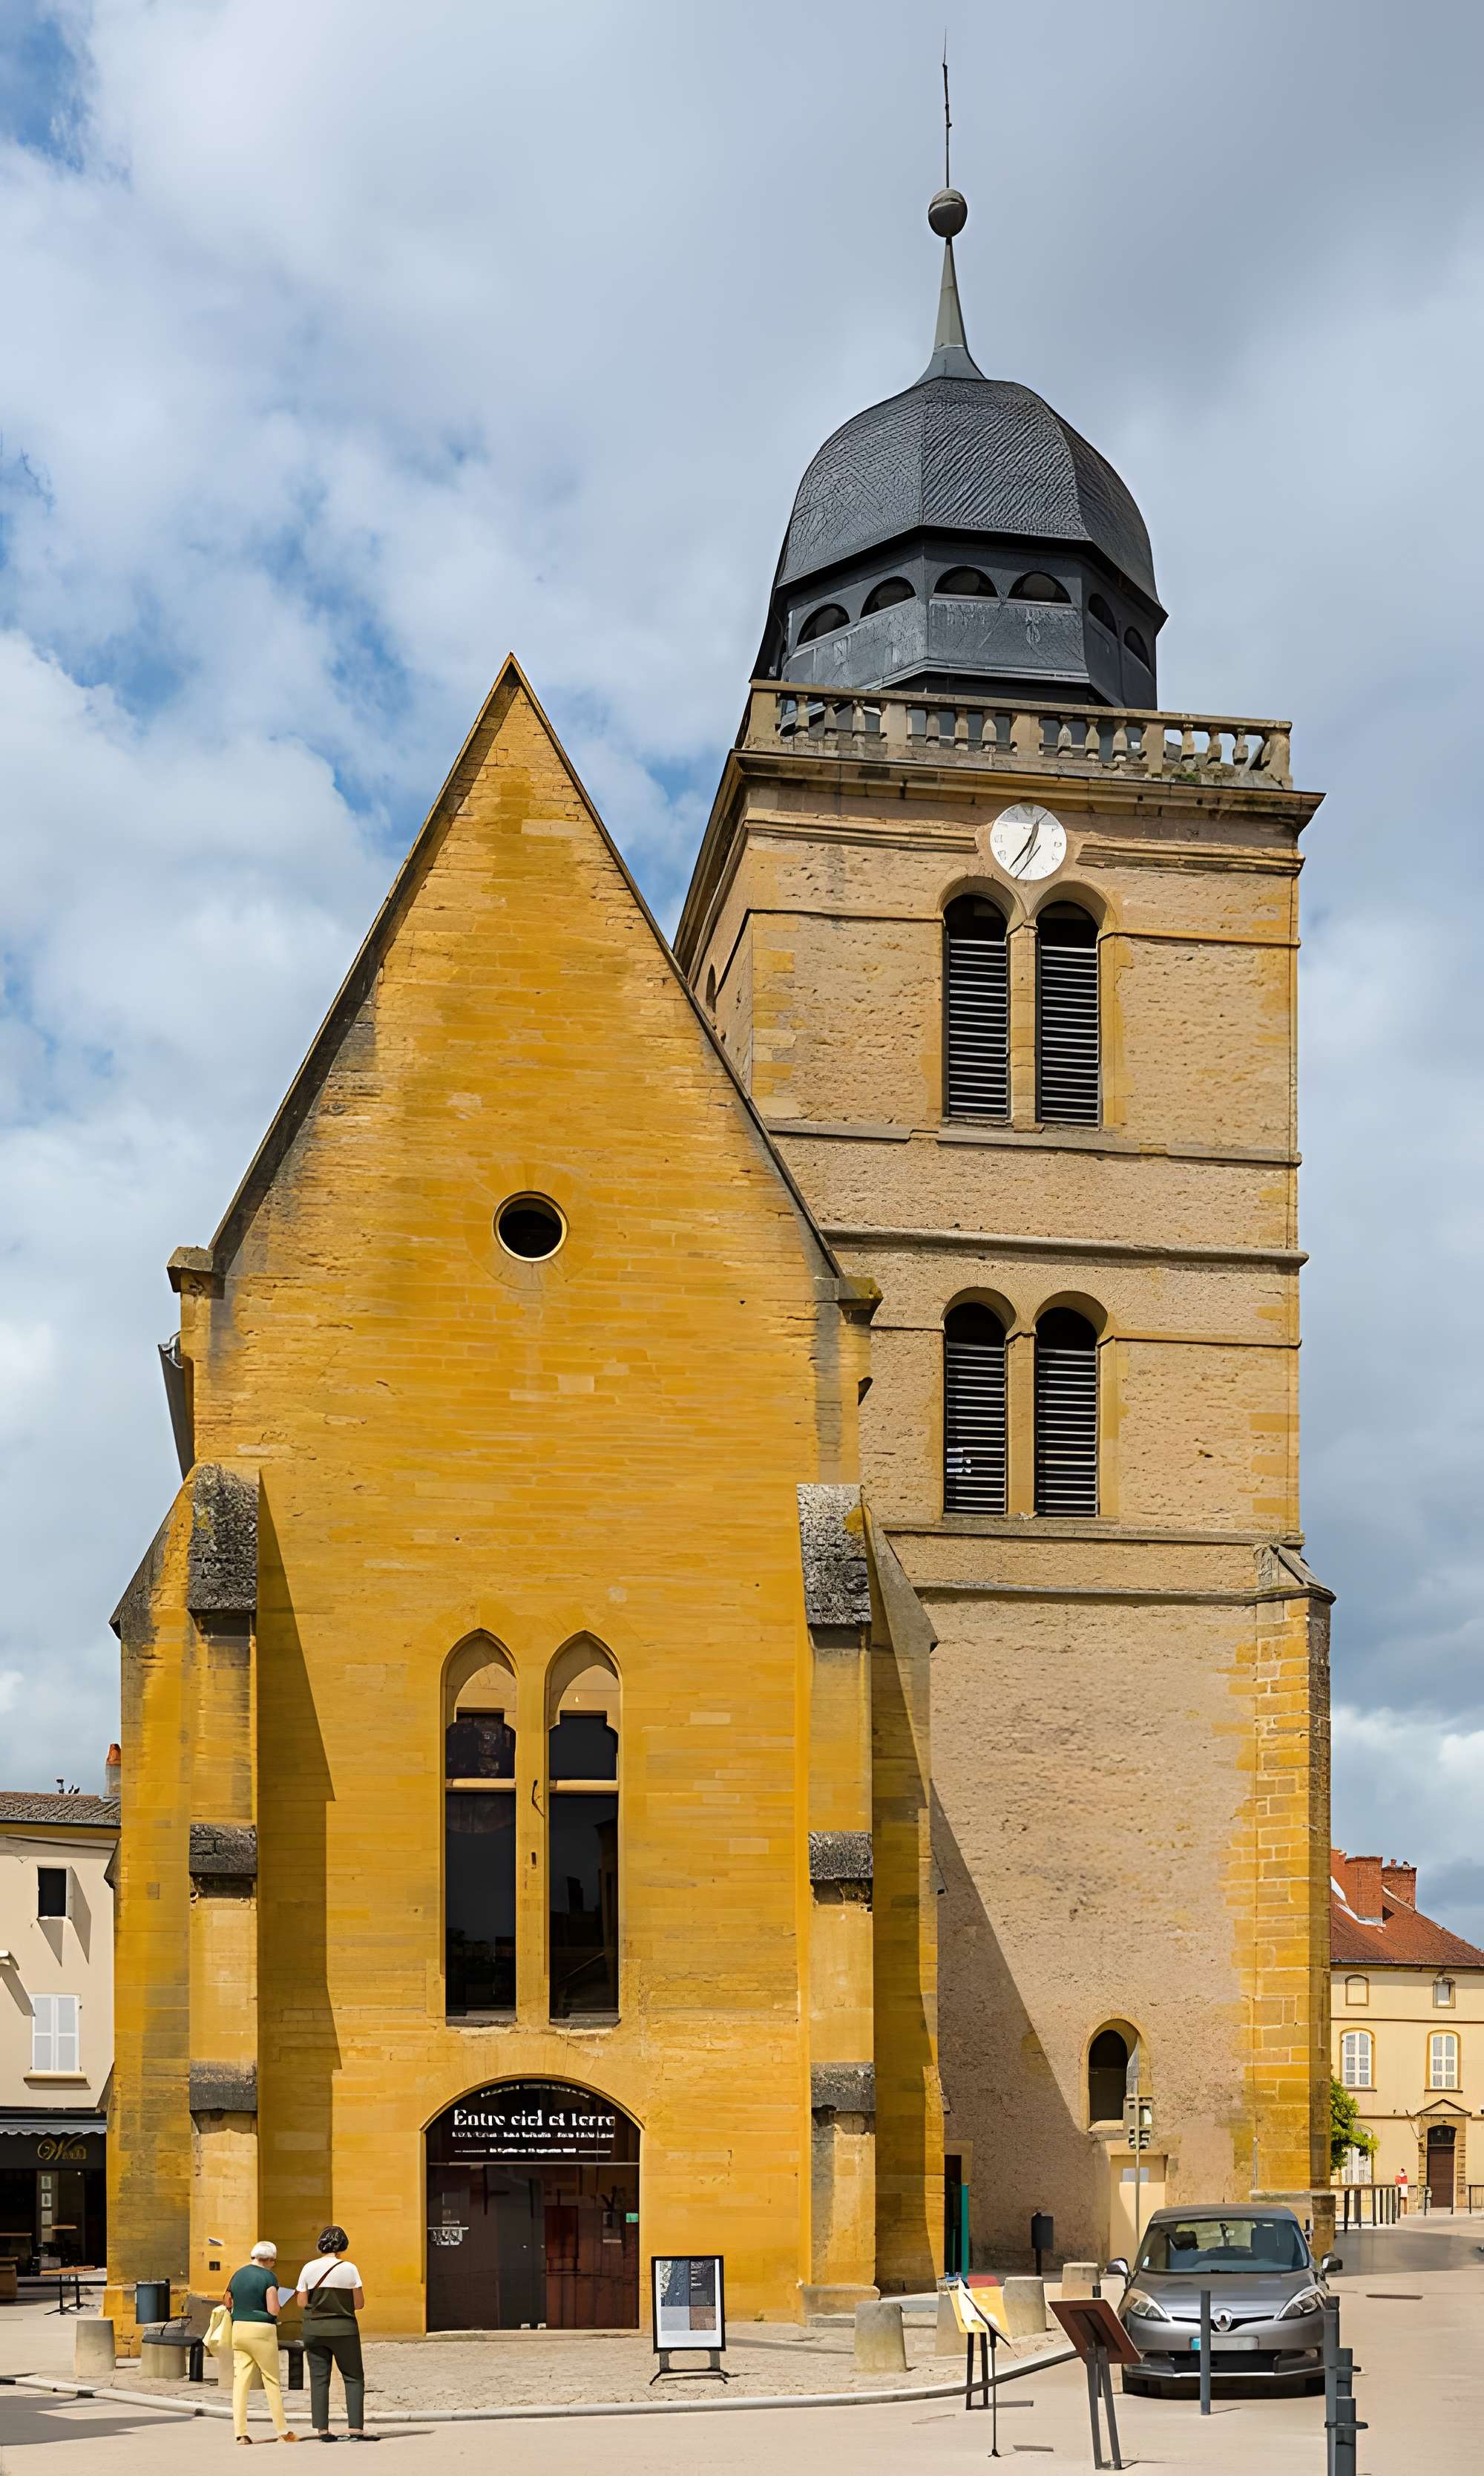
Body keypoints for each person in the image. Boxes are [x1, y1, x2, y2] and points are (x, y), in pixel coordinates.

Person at [295, 2227, 378, 2443]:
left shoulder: (308, 2268)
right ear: (343, 2246)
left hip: (314, 2329)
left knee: (319, 2379)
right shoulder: (349, 2269)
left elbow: (302, 2302)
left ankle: (323, 2430)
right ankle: (356, 2429)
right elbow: (359, 2304)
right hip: (344, 2330)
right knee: (353, 2377)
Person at [223, 2239, 297, 2446]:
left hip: (239, 2328)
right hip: (262, 2331)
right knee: (271, 2380)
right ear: (271, 2260)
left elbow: (227, 2300)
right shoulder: (269, 2277)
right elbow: (273, 2309)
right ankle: (282, 2431)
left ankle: (241, 2433)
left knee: (241, 2381)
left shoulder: (237, 2274)